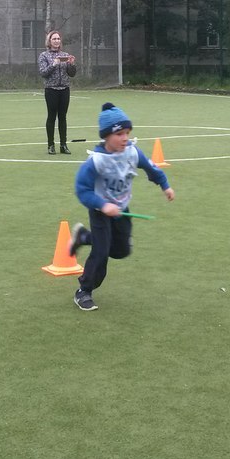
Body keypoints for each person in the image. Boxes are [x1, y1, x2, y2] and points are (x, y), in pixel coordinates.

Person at [67, 102, 174, 311]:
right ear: (106, 136)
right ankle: (84, 290)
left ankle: (84, 237)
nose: (125, 138)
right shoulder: (96, 161)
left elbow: (151, 168)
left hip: (122, 210)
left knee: (121, 250)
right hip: (100, 212)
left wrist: (165, 185)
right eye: (119, 134)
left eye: (127, 133)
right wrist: (102, 205)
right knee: (101, 253)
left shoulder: (132, 152)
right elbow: (82, 189)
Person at [38, 30, 77, 155]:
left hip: (64, 89)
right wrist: (54, 64)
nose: (56, 41)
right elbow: (43, 73)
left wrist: (71, 64)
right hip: (51, 90)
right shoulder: (44, 56)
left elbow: (72, 74)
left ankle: (63, 145)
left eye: (58, 39)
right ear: (49, 41)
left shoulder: (65, 55)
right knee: (51, 117)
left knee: (62, 117)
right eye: (54, 39)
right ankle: (51, 145)